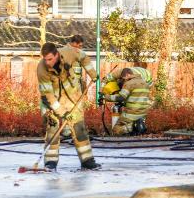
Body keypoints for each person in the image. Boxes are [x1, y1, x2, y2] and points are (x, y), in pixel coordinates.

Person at [36, 42, 100, 170]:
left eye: (50, 59)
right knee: (53, 131)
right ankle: (50, 163)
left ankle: (87, 161)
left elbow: (83, 56)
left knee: (79, 129)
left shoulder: (69, 53)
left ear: (56, 55)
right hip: (51, 104)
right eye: (45, 59)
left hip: (72, 99)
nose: (47, 62)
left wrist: (92, 74)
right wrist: (62, 112)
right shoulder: (42, 70)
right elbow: (48, 97)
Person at [101, 67, 153, 135]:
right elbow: (135, 97)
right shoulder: (145, 84)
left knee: (116, 130)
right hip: (142, 114)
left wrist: (104, 97)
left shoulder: (129, 83)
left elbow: (120, 97)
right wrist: (124, 103)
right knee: (134, 132)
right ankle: (137, 128)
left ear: (127, 75)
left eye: (124, 78)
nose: (124, 80)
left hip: (131, 113)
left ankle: (134, 126)